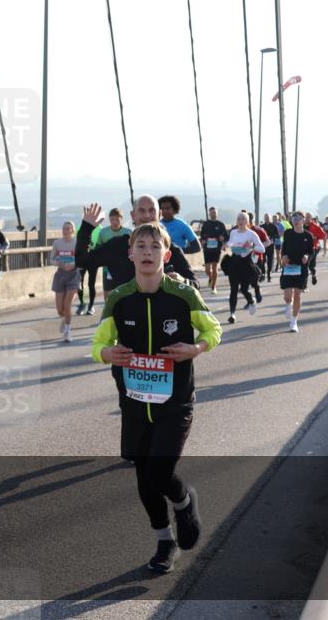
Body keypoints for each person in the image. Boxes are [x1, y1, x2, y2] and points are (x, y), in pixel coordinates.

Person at [92, 223, 221, 573]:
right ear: (130, 253)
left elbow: (214, 330)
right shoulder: (119, 298)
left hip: (175, 402)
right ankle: (165, 541)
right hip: (134, 404)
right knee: (143, 478)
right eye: (141, 245)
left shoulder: (183, 295)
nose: (147, 252)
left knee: (158, 472)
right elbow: (97, 344)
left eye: (154, 246)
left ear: (166, 255)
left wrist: (194, 348)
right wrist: (108, 355)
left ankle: (183, 501)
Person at [75, 197, 197, 291]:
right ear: (133, 215)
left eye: (151, 210)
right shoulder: (117, 246)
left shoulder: (170, 249)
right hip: (126, 318)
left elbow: (194, 285)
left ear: (159, 215)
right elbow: (82, 261)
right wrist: (87, 227)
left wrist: (182, 281)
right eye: (142, 210)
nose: (147, 215)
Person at [222, 213, 265, 323]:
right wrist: (227, 245)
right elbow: (231, 242)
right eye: (238, 219)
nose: (240, 221)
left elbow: (262, 249)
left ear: (247, 221)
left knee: (244, 289)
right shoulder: (233, 232)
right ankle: (232, 314)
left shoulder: (252, 234)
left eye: (243, 219)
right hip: (234, 263)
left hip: (246, 264)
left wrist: (251, 247)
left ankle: (251, 301)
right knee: (233, 290)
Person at [279, 212, 314, 333]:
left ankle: (294, 321)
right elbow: (283, 249)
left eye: (299, 218)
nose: (296, 220)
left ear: (304, 220)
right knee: (287, 296)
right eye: (294, 218)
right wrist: (282, 258)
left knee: (298, 295)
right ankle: (289, 304)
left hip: (301, 269)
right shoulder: (288, 233)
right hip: (288, 267)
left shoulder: (308, 236)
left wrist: (306, 257)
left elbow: (311, 252)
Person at [51, 222, 81, 343]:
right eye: (64, 228)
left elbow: (82, 258)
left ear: (73, 230)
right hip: (60, 275)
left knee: (67, 305)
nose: (66, 230)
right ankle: (64, 319)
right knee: (60, 310)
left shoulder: (77, 243)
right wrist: (59, 263)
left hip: (74, 275)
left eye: (68, 228)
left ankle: (68, 332)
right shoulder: (57, 243)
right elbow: (51, 259)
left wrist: (74, 264)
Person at [97, 207, 132, 300]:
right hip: (107, 269)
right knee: (107, 296)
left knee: (124, 294)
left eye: (117, 219)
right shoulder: (103, 232)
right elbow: (98, 249)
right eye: (112, 219)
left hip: (124, 269)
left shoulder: (128, 232)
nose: (115, 222)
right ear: (109, 220)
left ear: (122, 219)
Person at [199, 207, 227, 295]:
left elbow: (226, 236)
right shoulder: (206, 224)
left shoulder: (221, 224)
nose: (213, 214)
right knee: (207, 270)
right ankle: (210, 277)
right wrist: (202, 240)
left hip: (216, 249)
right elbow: (202, 235)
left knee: (215, 267)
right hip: (207, 249)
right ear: (209, 214)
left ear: (217, 214)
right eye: (211, 212)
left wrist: (223, 239)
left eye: (214, 212)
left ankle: (214, 287)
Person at [304, 213, 327, 287]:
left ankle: (313, 274)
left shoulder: (315, 226)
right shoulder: (300, 226)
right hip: (303, 248)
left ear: (311, 218)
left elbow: (324, 235)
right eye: (305, 217)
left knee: (310, 265)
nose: (306, 219)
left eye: (308, 217)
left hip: (314, 247)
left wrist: (316, 237)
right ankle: (304, 285)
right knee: (305, 266)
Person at [262, 213, 281, 282]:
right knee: (263, 260)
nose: (266, 218)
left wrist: (272, 237)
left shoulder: (274, 226)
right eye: (265, 217)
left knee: (270, 260)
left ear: (270, 219)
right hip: (263, 246)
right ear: (264, 218)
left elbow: (278, 236)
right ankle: (263, 274)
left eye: (268, 217)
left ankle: (269, 275)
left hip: (270, 245)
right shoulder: (262, 226)